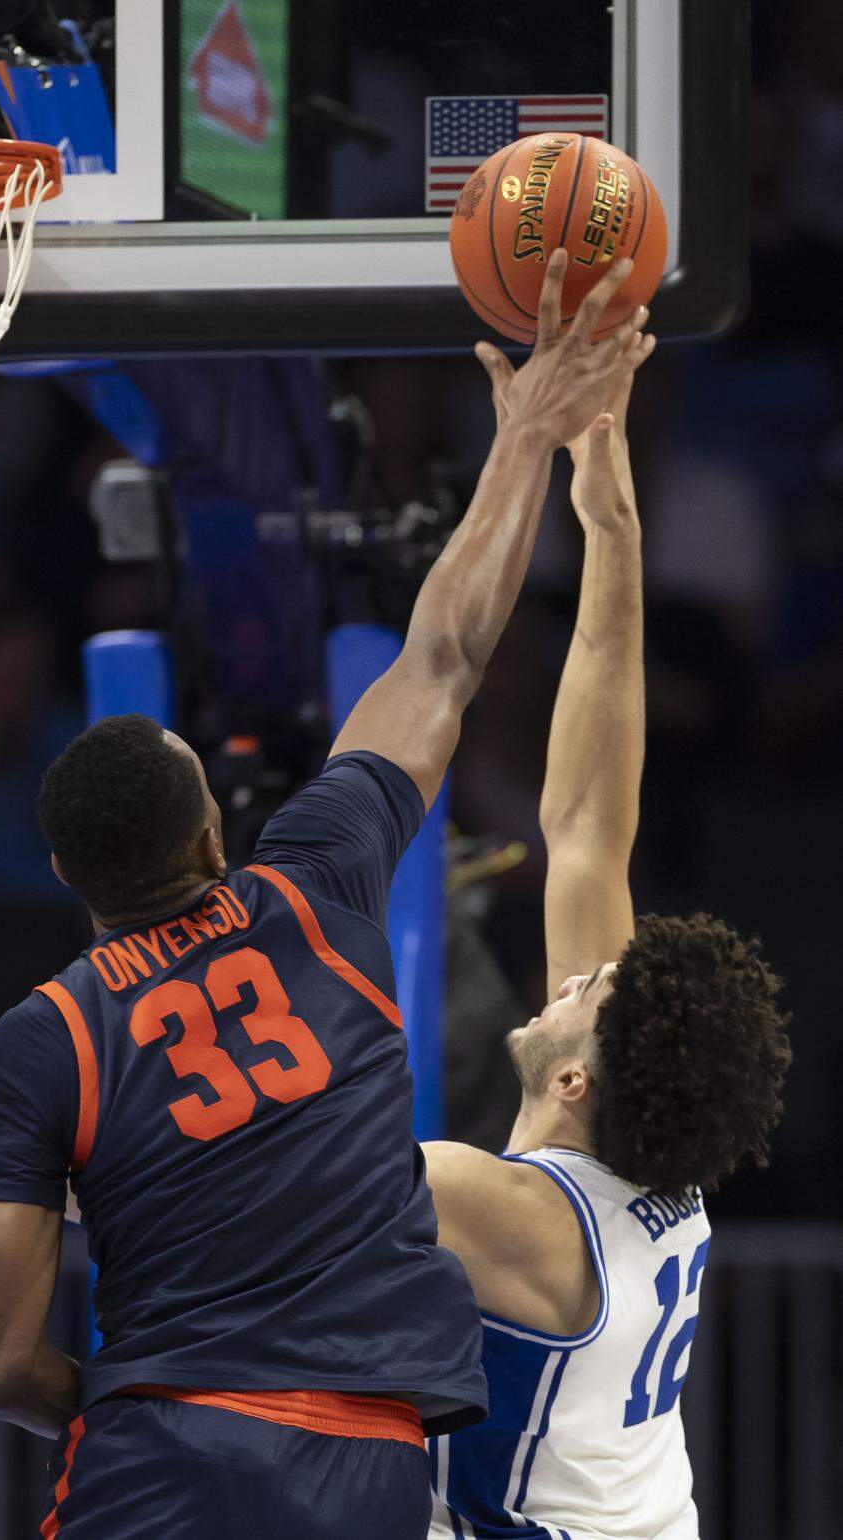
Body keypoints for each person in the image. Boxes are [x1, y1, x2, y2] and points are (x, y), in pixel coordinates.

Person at [0, 254, 654, 1540]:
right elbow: (445, 651)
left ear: (67, 877)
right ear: (215, 828)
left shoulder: (45, 1035)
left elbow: (3, 1366)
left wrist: (140, 1406)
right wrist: (521, 437)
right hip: (363, 1459)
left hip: (159, 1458)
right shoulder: (319, 885)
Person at [418, 365, 791, 1538]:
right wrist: (610, 526)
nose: (574, 971)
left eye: (590, 992)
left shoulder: (510, 1208)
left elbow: (196, 1180)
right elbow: (585, 827)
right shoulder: (642, 1136)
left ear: (578, 1077)